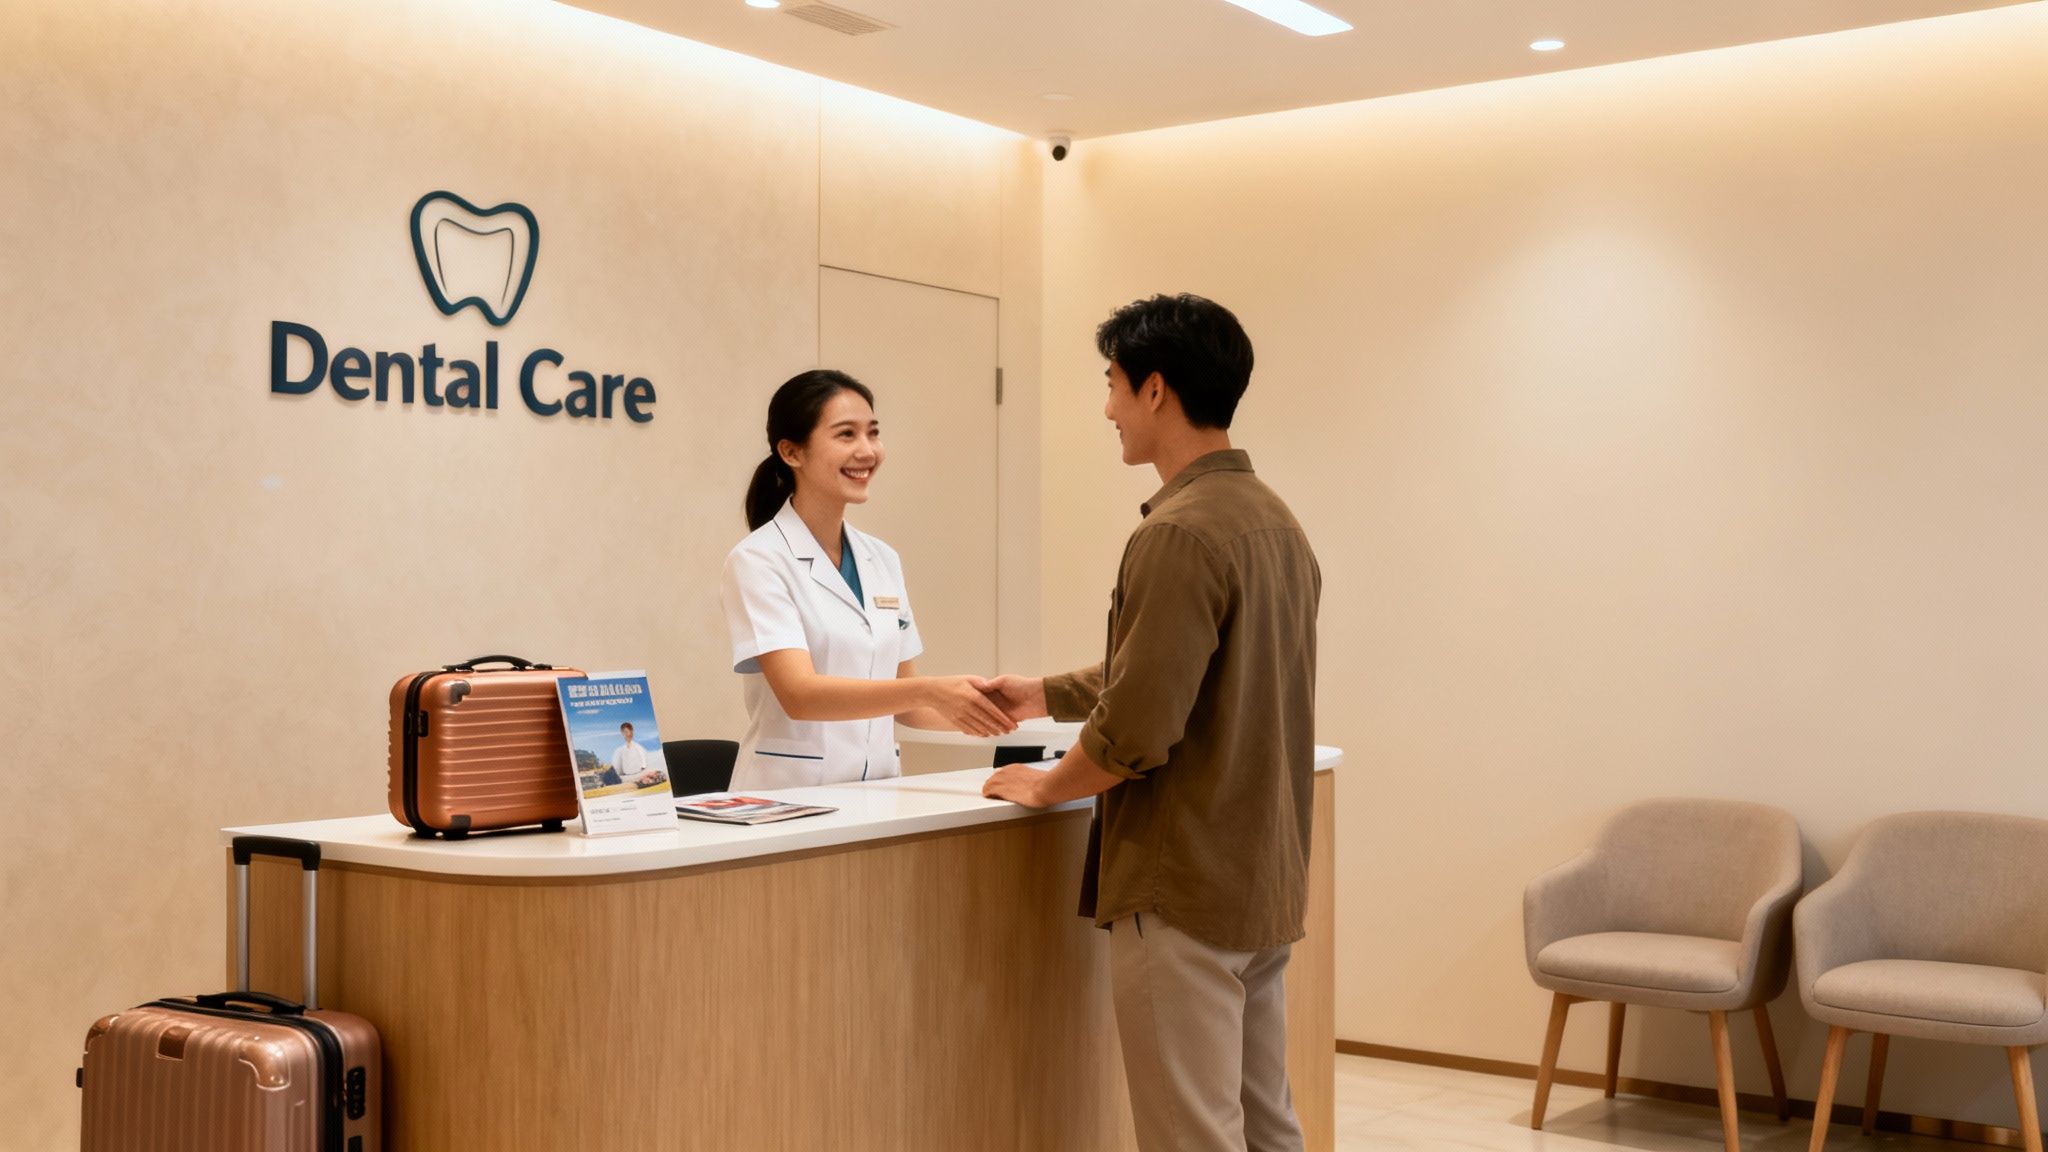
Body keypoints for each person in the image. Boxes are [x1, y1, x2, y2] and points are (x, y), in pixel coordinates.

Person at [981, 295, 1321, 1152]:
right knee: (1267, 1124)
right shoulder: (1274, 521)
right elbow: (1176, 668)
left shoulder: (1178, 532)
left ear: (1156, 389)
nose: (1107, 409)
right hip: (1258, 875)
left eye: (1112, 385)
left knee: (1188, 1135)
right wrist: (1043, 694)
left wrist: (1046, 783)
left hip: (1182, 882)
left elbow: (1137, 728)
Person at [720, 368, 1015, 790]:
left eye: (873, 433)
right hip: (785, 798)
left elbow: (908, 703)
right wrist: (931, 691)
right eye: (846, 435)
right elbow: (799, 694)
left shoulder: (882, 559)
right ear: (791, 452)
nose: (868, 451)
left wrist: (997, 711)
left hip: (874, 794)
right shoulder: (758, 560)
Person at [609, 722, 662, 788]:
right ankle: (644, 781)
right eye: (625, 732)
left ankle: (645, 780)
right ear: (622, 733)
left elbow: (645, 762)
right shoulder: (620, 750)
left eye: (630, 731)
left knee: (654, 773)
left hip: (641, 773)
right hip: (628, 776)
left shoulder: (638, 746)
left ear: (632, 731)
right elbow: (618, 768)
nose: (628, 734)